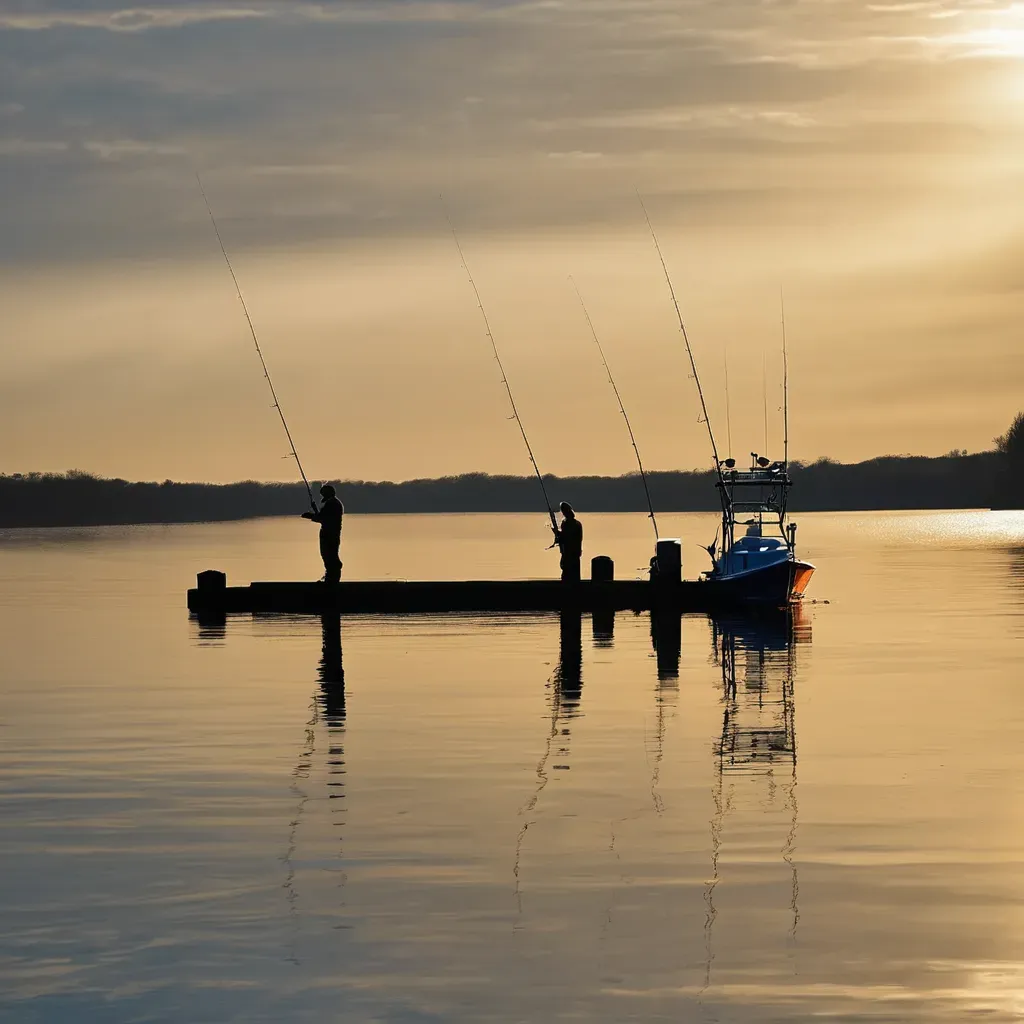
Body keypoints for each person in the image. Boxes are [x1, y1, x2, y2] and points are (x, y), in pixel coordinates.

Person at [302, 484, 344, 583]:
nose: (322, 497)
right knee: (329, 555)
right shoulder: (334, 503)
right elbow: (322, 517)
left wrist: (309, 516)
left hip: (329, 535)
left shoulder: (332, 504)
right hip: (331, 534)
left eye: (323, 495)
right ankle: (330, 577)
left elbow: (322, 518)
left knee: (329, 555)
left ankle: (331, 579)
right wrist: (315, 510)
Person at [553, 501, 583, 582]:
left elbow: (565, 537)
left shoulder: (569, 524)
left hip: (570, 554)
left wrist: (557, 533)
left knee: (568, 575)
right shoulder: (576, 524)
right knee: (573, 575)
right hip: (573, 554)